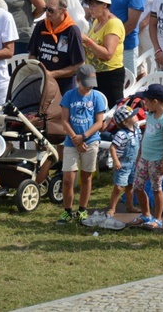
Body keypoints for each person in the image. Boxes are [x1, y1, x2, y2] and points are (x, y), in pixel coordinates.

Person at [57, 64, 106, 224]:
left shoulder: (97, 97)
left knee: (86, 176)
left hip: (90, 141)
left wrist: (84, 137)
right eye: (85, 84)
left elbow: (99, 123)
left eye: (91, 85)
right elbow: (64, 120)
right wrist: (75, 138)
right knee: (68, 178)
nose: (88, 88)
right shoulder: (69, 96)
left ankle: (83, 210)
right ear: (77, 80)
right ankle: (67, 211)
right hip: (71, 142)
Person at [128, 84, 163, 230]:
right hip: (144, 158)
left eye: (146, 101)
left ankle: (158, 218)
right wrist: (140, 154)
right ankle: (146, 215)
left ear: (155, 102)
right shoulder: (150, 115)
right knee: (138, 187)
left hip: (157, 160)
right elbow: (146, 136)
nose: (144, 104)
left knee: (156, 189)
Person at [28, 0, 86, 95]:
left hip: (64, 86)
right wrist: (38, 70)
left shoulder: (72, 31)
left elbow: (79, 65)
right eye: (46, 9)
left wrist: (52, 74)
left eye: (51, 10)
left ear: (63, 11)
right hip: (42, 82)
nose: (47, 13)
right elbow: (32, 54)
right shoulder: (41, 25)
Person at [81, 0, 125, 108]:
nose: (90, 7)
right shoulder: (96, 21)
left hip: (110, 77)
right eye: (89, 3)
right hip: (95, 75)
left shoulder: (113, 24)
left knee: (111, 112)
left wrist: (86, 40)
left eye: (94, 4)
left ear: (104, 4)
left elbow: (107, 54)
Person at [106, 105, 141, 217]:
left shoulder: (137, 130)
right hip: (123, 164)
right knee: (118, 187)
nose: (135, 116)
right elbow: (113, 147)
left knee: (130, 185)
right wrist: (116, 161)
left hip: (134, 163)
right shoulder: (121, 134)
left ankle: (130, 206)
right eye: (132, 115)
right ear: (125, 122)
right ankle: (112, 208)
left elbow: (139, 146)